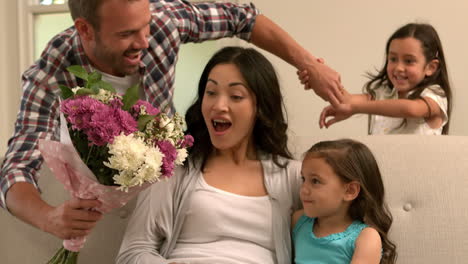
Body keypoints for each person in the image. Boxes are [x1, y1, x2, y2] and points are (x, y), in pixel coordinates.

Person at [0, 0, 342, 240]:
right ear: (85, 30)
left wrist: (309, 64)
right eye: (126, 34)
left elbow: (243, 18)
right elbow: (16, 167)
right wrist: (49, 218)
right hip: (91, 203)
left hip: (165, 189)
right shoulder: (53, 69)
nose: (144, 41)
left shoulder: (165, 21)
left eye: (145, 25)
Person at [116, 46, 302, 264]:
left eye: (236, 96)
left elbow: (339, 233)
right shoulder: (174, 167)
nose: (219, 105)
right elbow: (133, 252)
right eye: (211, 92)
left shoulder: (294, 176)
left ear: (260, 107)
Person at [303, 23, 451, 135]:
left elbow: (410, 109)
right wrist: (316, 75)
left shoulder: (434, 95)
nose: (398, 67)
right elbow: (345, 100)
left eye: (409, 61)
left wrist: (355, 109)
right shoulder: (383, 95)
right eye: (393, 59)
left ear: (430, 67)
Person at [292, 139, 397, 264]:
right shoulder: (299, 221)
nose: (303, 189)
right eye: (303, 179)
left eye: (315, 181)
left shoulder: (366, 238)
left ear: (350, 191)